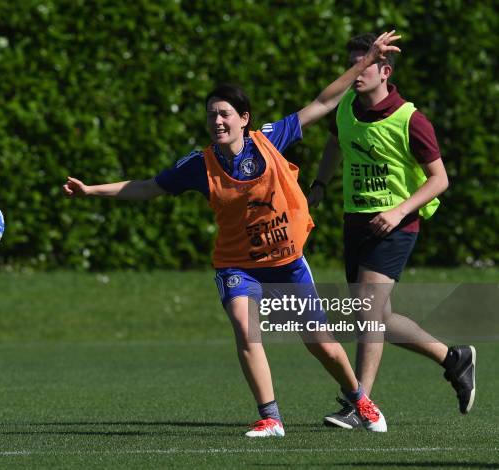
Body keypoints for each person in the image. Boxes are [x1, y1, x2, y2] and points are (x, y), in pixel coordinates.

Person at [63, 31, 402, 437]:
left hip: (286, 262)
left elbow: (323, 103)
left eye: (224, 113)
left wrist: (365, 63)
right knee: (245, 327)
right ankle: (271, 417)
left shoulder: (270, 140)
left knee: (321, 345)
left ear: (244, 118)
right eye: (211, 115)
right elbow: (148, 187)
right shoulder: (198, 164)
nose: (217, 121)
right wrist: (91, 190)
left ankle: (360, 398)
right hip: (237, 263)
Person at [307, 32, 476, 431]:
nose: (356, 73)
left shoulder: (410, 119)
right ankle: (454, 359)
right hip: (356, 221)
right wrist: (320, 185)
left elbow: (439, 180)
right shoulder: (346, 105)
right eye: (352, 64)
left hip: (397, 224)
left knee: (367, 311)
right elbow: (335, 143)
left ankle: (359, 403)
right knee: (377, 316)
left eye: (363, 65)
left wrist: (399, 211)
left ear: (385, 71)